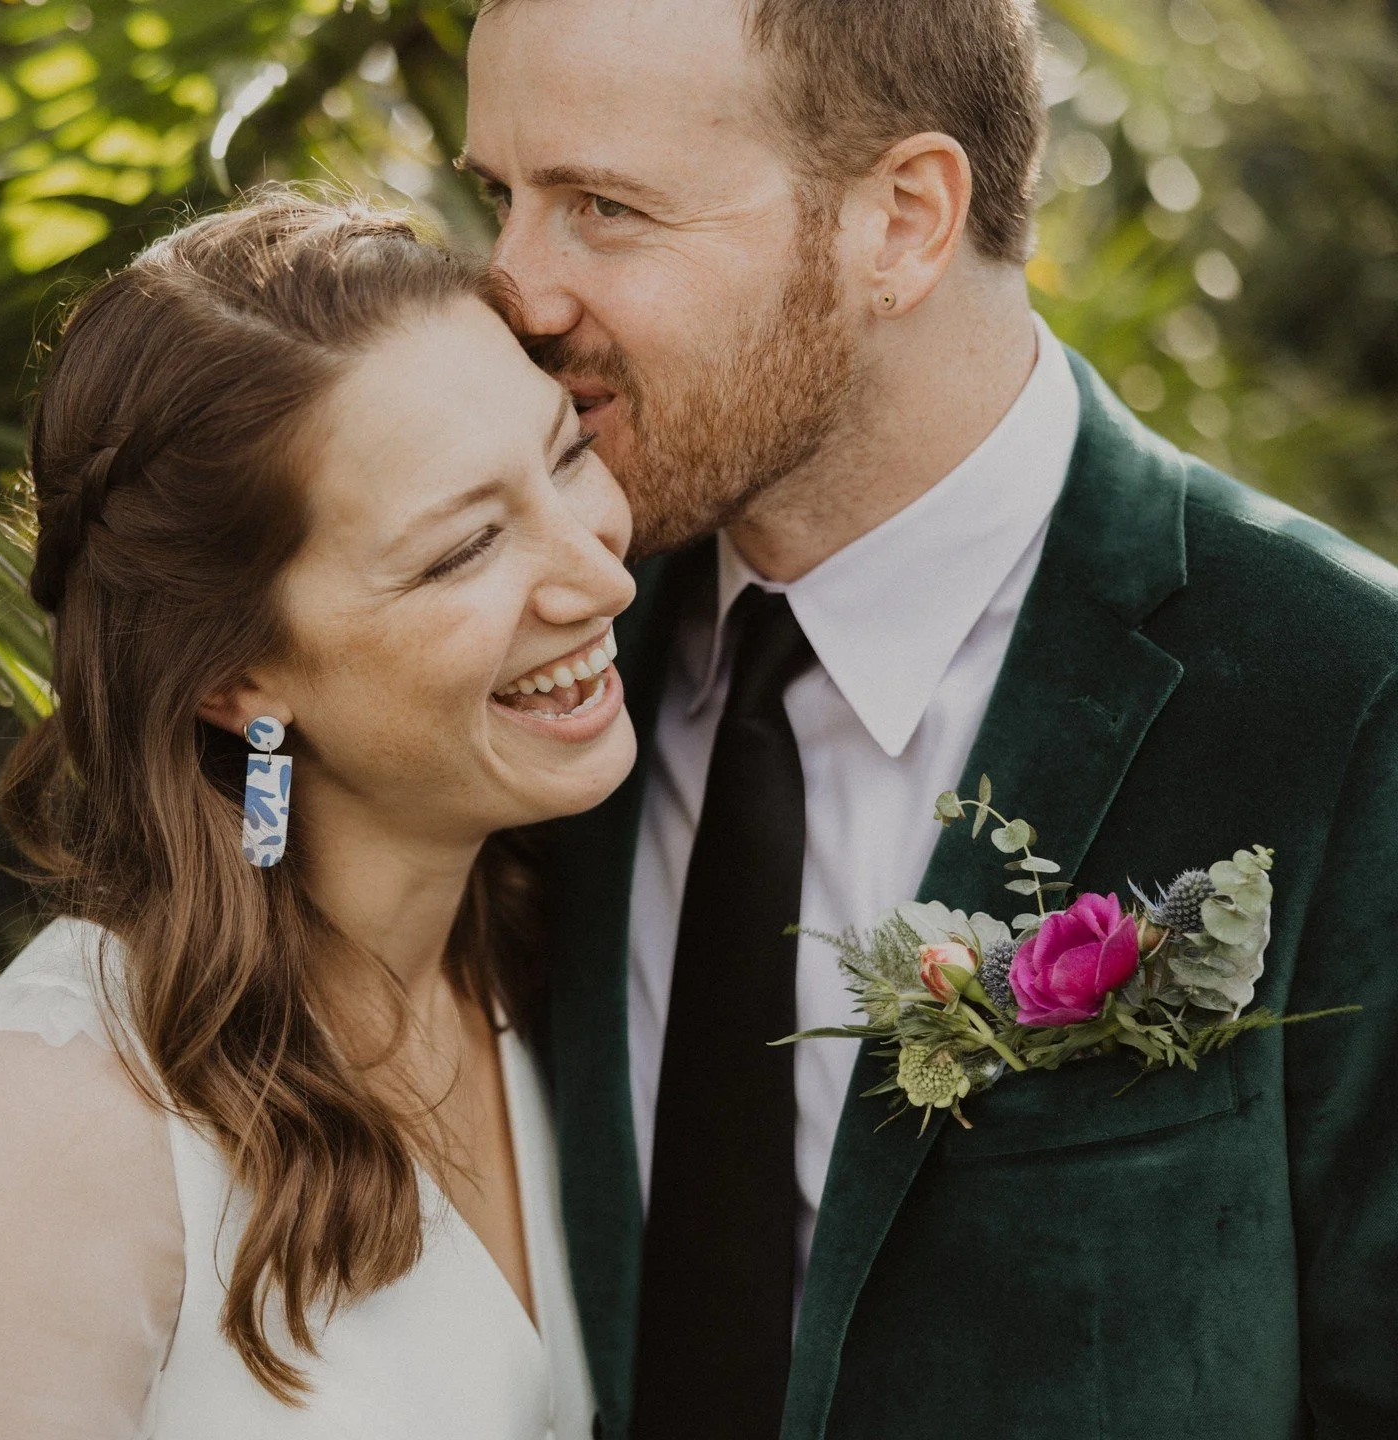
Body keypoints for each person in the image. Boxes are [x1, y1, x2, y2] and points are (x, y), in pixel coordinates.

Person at [463, 2, 1398, 1437]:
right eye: (500, 199)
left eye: (604, 206)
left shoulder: (1344, 699)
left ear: (902, 220)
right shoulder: (521, 657)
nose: (514, 294)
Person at [0, 190, 635, 1439]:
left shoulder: (568, 965)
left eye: (568, 454)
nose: (602, 575)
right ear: (235, 677)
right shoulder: (53, 1122)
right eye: (464, 549)